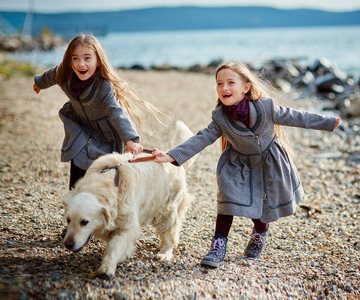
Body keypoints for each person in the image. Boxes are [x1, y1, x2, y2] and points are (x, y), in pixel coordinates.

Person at [153, 62, 341, 268]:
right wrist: (172, 156)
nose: (224, 88)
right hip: (238, 165)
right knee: (227, 200)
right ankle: (218, 245)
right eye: (219, 83)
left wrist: (328, 122)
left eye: (230, 83)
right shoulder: (220, 117)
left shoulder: (267, 108)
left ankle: (260, 230)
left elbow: (297, 117)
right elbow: (202, 138)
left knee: (260, 208)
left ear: (245, 87)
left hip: (269, 163)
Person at [33, 33, 157, 190]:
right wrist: (38, 83)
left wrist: (130, 139)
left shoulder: (104, 86)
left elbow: (116, 111)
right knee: (78, 159)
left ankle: (104, 205)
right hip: (80, 126)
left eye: (87, 58)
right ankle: (75, 202)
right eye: (75, 58)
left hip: (106, 133)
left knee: (106, 173)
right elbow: (51, 75)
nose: (80, 64)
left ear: (98, 61)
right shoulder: (64, 74)